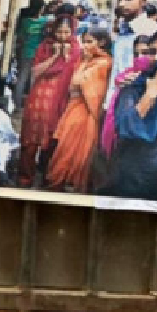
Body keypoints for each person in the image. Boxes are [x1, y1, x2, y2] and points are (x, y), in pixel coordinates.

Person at [98, 27, 157, 201]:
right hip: (132, 171)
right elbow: (126, 127)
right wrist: (150, 94)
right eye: (152, 52)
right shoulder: (135, 85)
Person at [44, 28, 113, 193]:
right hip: (75, 106)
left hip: (86, 110)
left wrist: (83, 67)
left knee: (74, 149)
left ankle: (71, 184)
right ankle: (60, 182)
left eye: (90, 42)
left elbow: (80, 82)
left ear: (102, 43)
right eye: (84, 42)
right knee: (64, 147)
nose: (84, 46)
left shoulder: (104, 62)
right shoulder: (88, 60)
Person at [18, 11, 80, 188]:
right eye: (59, 32)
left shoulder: (76, 48)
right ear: (53, 30)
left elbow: (76, 72)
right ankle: (25, 177)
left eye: (66, 32)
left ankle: (48, 175)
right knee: (31, 138)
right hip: (40, 99)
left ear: (72, 32)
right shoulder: (44, 46)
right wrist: (54, 56)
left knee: (53, 138)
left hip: (61, 100)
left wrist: (67, 56)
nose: (62, 36)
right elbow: (35, 72)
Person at [100, 35, 154, 159]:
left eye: (145, 53)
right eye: (136, 53)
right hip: (119, 128)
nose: (140, 57)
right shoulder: (127, 75)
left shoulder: (156, 78)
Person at [106, 0, 155, 109]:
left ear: (143, 0)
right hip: (115, 103)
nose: (121, 3)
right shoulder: (122, 30)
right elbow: (117, 69)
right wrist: (107, 104)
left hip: (137, 105)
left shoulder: (152, 32)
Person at [13, 0, 49, 110]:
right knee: (34, 80)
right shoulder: (45, 21)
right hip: (39, 54)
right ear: (40, 8)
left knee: (21, 78)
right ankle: (31, 106)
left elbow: (20, 38)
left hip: (26, 53)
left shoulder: (25, 22)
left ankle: (16, 105)